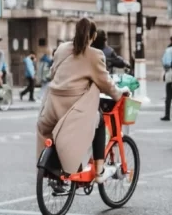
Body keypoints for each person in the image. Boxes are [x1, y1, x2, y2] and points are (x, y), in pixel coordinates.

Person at [36, 18, 128, 185]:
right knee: (99, 121)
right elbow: (105, 83)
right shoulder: (94, 55)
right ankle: (99, 171)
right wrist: (119, 94)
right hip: (74, 110)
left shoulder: (62, 49)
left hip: (52, 107)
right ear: (92, 36)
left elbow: (52, 72)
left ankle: (55, 171)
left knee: (50, 131)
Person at [162, 36, 172, 121]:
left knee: (169, 95)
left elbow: (166, 63)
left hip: (170, 74)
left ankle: (167, 115)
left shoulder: (169, 50)